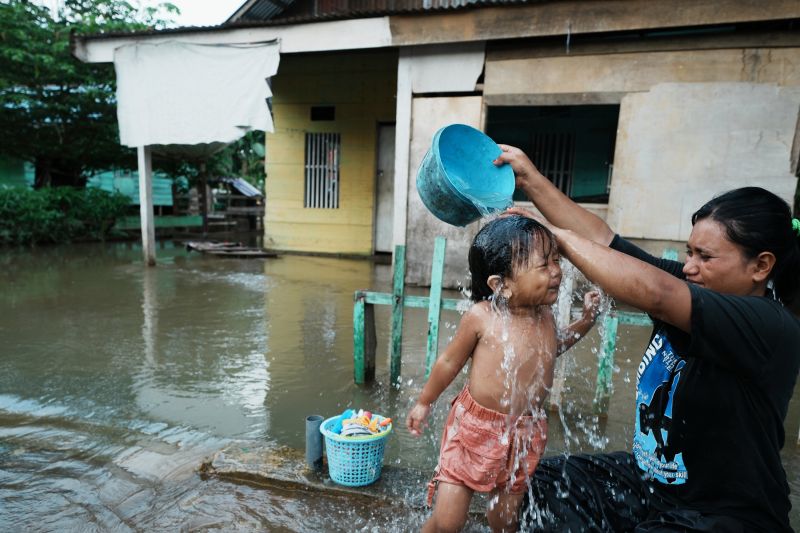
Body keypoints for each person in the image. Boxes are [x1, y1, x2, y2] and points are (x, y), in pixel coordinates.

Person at [494, 145, 800, 532]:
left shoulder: (770, 326)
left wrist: (560, 240)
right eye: (689, 252)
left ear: (761, 266)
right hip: (652, 485)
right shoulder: (697, 284)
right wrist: (530, 180)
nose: (689, 267)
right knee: (538, 483)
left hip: (725, 515)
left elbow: (654, 292)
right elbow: (608, 243)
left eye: (706, 257)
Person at [406, 215, 600, 533]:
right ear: (501, 285)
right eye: (543, 265)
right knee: (449, 522)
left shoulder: (546, 316)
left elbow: (554, 347)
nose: (556, 272)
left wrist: (586, 321)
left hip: (526, 432)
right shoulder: (482, 318)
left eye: (556, 260)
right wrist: (424, 402)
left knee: (505, 521)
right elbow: (448, 363)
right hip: (474, 429)